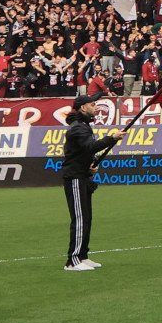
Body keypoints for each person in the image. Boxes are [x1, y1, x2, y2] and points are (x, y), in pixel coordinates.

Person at [59, 94, 120, 272]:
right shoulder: (78, 127)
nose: (96, 107)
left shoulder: (83, 125)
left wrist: (91, 164)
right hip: (75, 177)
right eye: (92, 105)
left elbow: (84, 152)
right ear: (83, 107)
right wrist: (112, 138)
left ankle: (83, 256)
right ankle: (73, 261)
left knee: (86, 218)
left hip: (83, 176)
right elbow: (90, 146)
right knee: (80, 219)